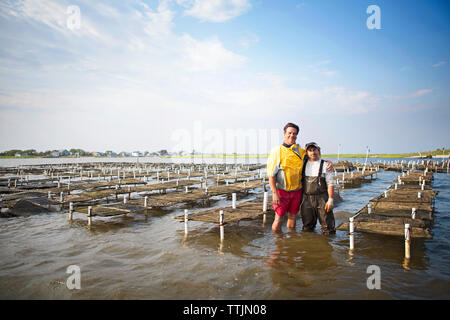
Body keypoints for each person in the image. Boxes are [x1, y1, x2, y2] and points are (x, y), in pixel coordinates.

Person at [267, 123, 305, 232]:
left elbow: (314, 157)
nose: (292, 135)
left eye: (294, 133)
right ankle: (277, 244)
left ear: (297, 135)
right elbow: (271, 175)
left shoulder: (301, 151)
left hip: (297, 191)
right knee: (279, 218)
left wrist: (327, 163)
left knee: (293, 217)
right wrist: (275, 193)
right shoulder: (276, 151)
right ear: (284, 134)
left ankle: (289, 244)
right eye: (289, 133)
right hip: (281, 191)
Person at [300, 142, 336, 235]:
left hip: (322, 198)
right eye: (310, 150)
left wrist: (331, 199)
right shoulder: (302, 164)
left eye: (314, 150)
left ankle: (328, 246)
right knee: (307, 227)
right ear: (307, 152)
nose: (313, 153)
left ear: (318, 150)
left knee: (328, 227)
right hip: (306, 199)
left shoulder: (325, 165)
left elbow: (330, 183)